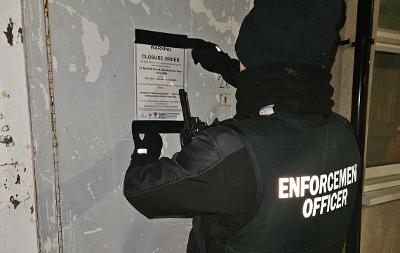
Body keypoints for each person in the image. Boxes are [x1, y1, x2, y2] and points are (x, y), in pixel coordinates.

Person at [124, 0, 361, 252]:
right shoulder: (343, 135)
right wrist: (224, 65)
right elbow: (291, 92)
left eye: (245, 62)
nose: (242, 68)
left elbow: (142, 191)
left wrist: (144, 151)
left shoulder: (230, 150)